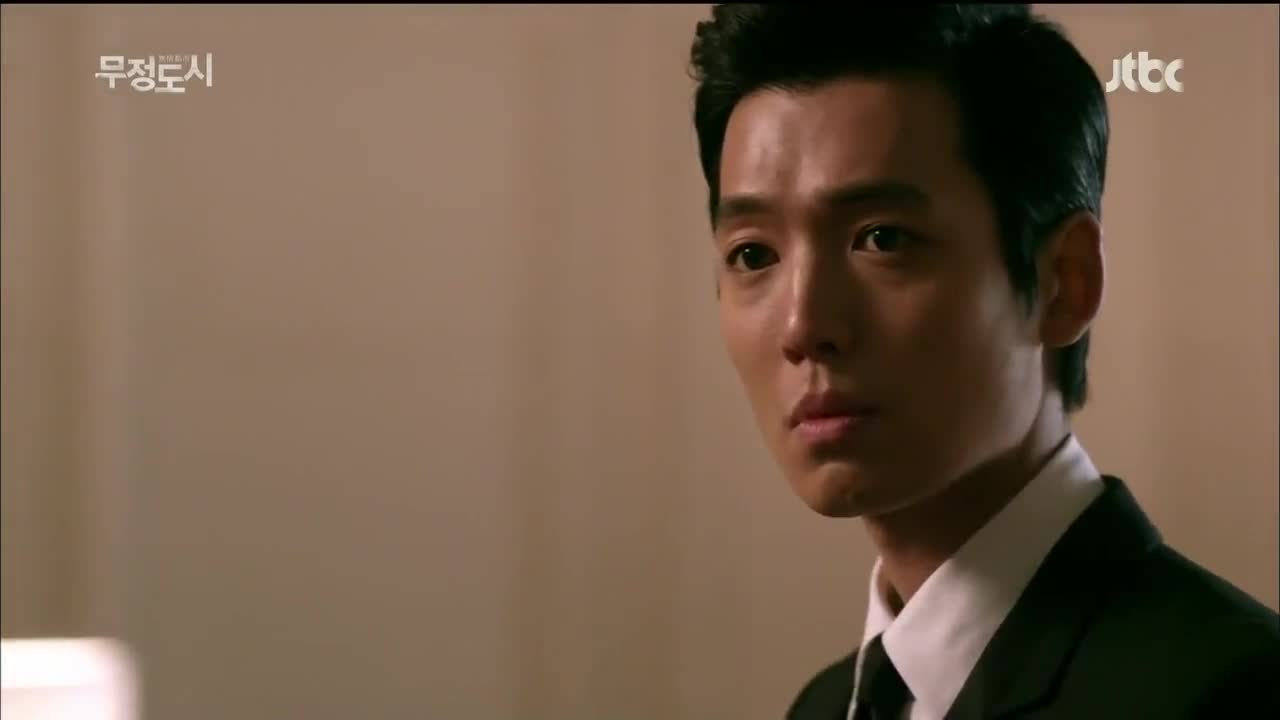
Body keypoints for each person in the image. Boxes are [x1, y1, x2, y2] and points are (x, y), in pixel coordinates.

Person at [685, 5, 1280, 719]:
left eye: (883, 238)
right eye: (753, 253)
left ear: (1064, 282)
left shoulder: (1229, 690)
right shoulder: (823, 706)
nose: (803, 326)